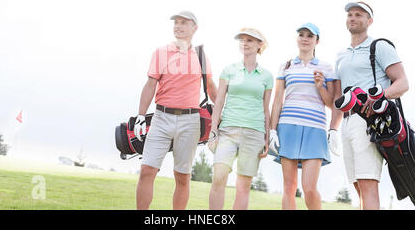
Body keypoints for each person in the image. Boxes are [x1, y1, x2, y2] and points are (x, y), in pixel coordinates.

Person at [328, 1, 409, 210]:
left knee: (368, 183)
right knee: (357, 185)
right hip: (347, 122)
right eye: (350, 15)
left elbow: (402, 83)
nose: (353, 18)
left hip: (369, 121)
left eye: (359, 15)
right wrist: (332, 129)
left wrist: (380, 97)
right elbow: (337, 98)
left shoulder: (379, 46)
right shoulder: (341, 56)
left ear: (369, 21)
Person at [134, 11, 218, 210]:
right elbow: (150, 84)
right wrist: (140, 115)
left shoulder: (200, 55)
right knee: (147, 170)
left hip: (190, 121)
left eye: (184, 23)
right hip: (161, 117)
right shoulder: (161, 52)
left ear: (194, 28)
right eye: (176, 23)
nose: (178, 26)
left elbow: (211, 87)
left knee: (182, 176)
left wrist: (224, 115)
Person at [269, 22, 334, 210]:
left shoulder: (326, 67)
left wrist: (321, 86)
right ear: (297, 39)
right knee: (289, 187)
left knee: (309, 187)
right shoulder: (286, 65)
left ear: (317, 41)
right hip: (288, 127)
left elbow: (331, 103)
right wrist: (273, 130)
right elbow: (278, 100)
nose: (305, 39)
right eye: (301, 35)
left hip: (315, 129)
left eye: (310, 36)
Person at [208, 27, 273, 210]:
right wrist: (213, 131)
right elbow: (219, 102)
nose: (245, 43)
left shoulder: (267, 76)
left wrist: (267, 138)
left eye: (250, 40)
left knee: (243, 186)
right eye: (242, 40)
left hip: (254, 133)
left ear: (260, 45)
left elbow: (265, 109)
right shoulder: (229, 70)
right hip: (228, 130)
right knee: (219, 176)